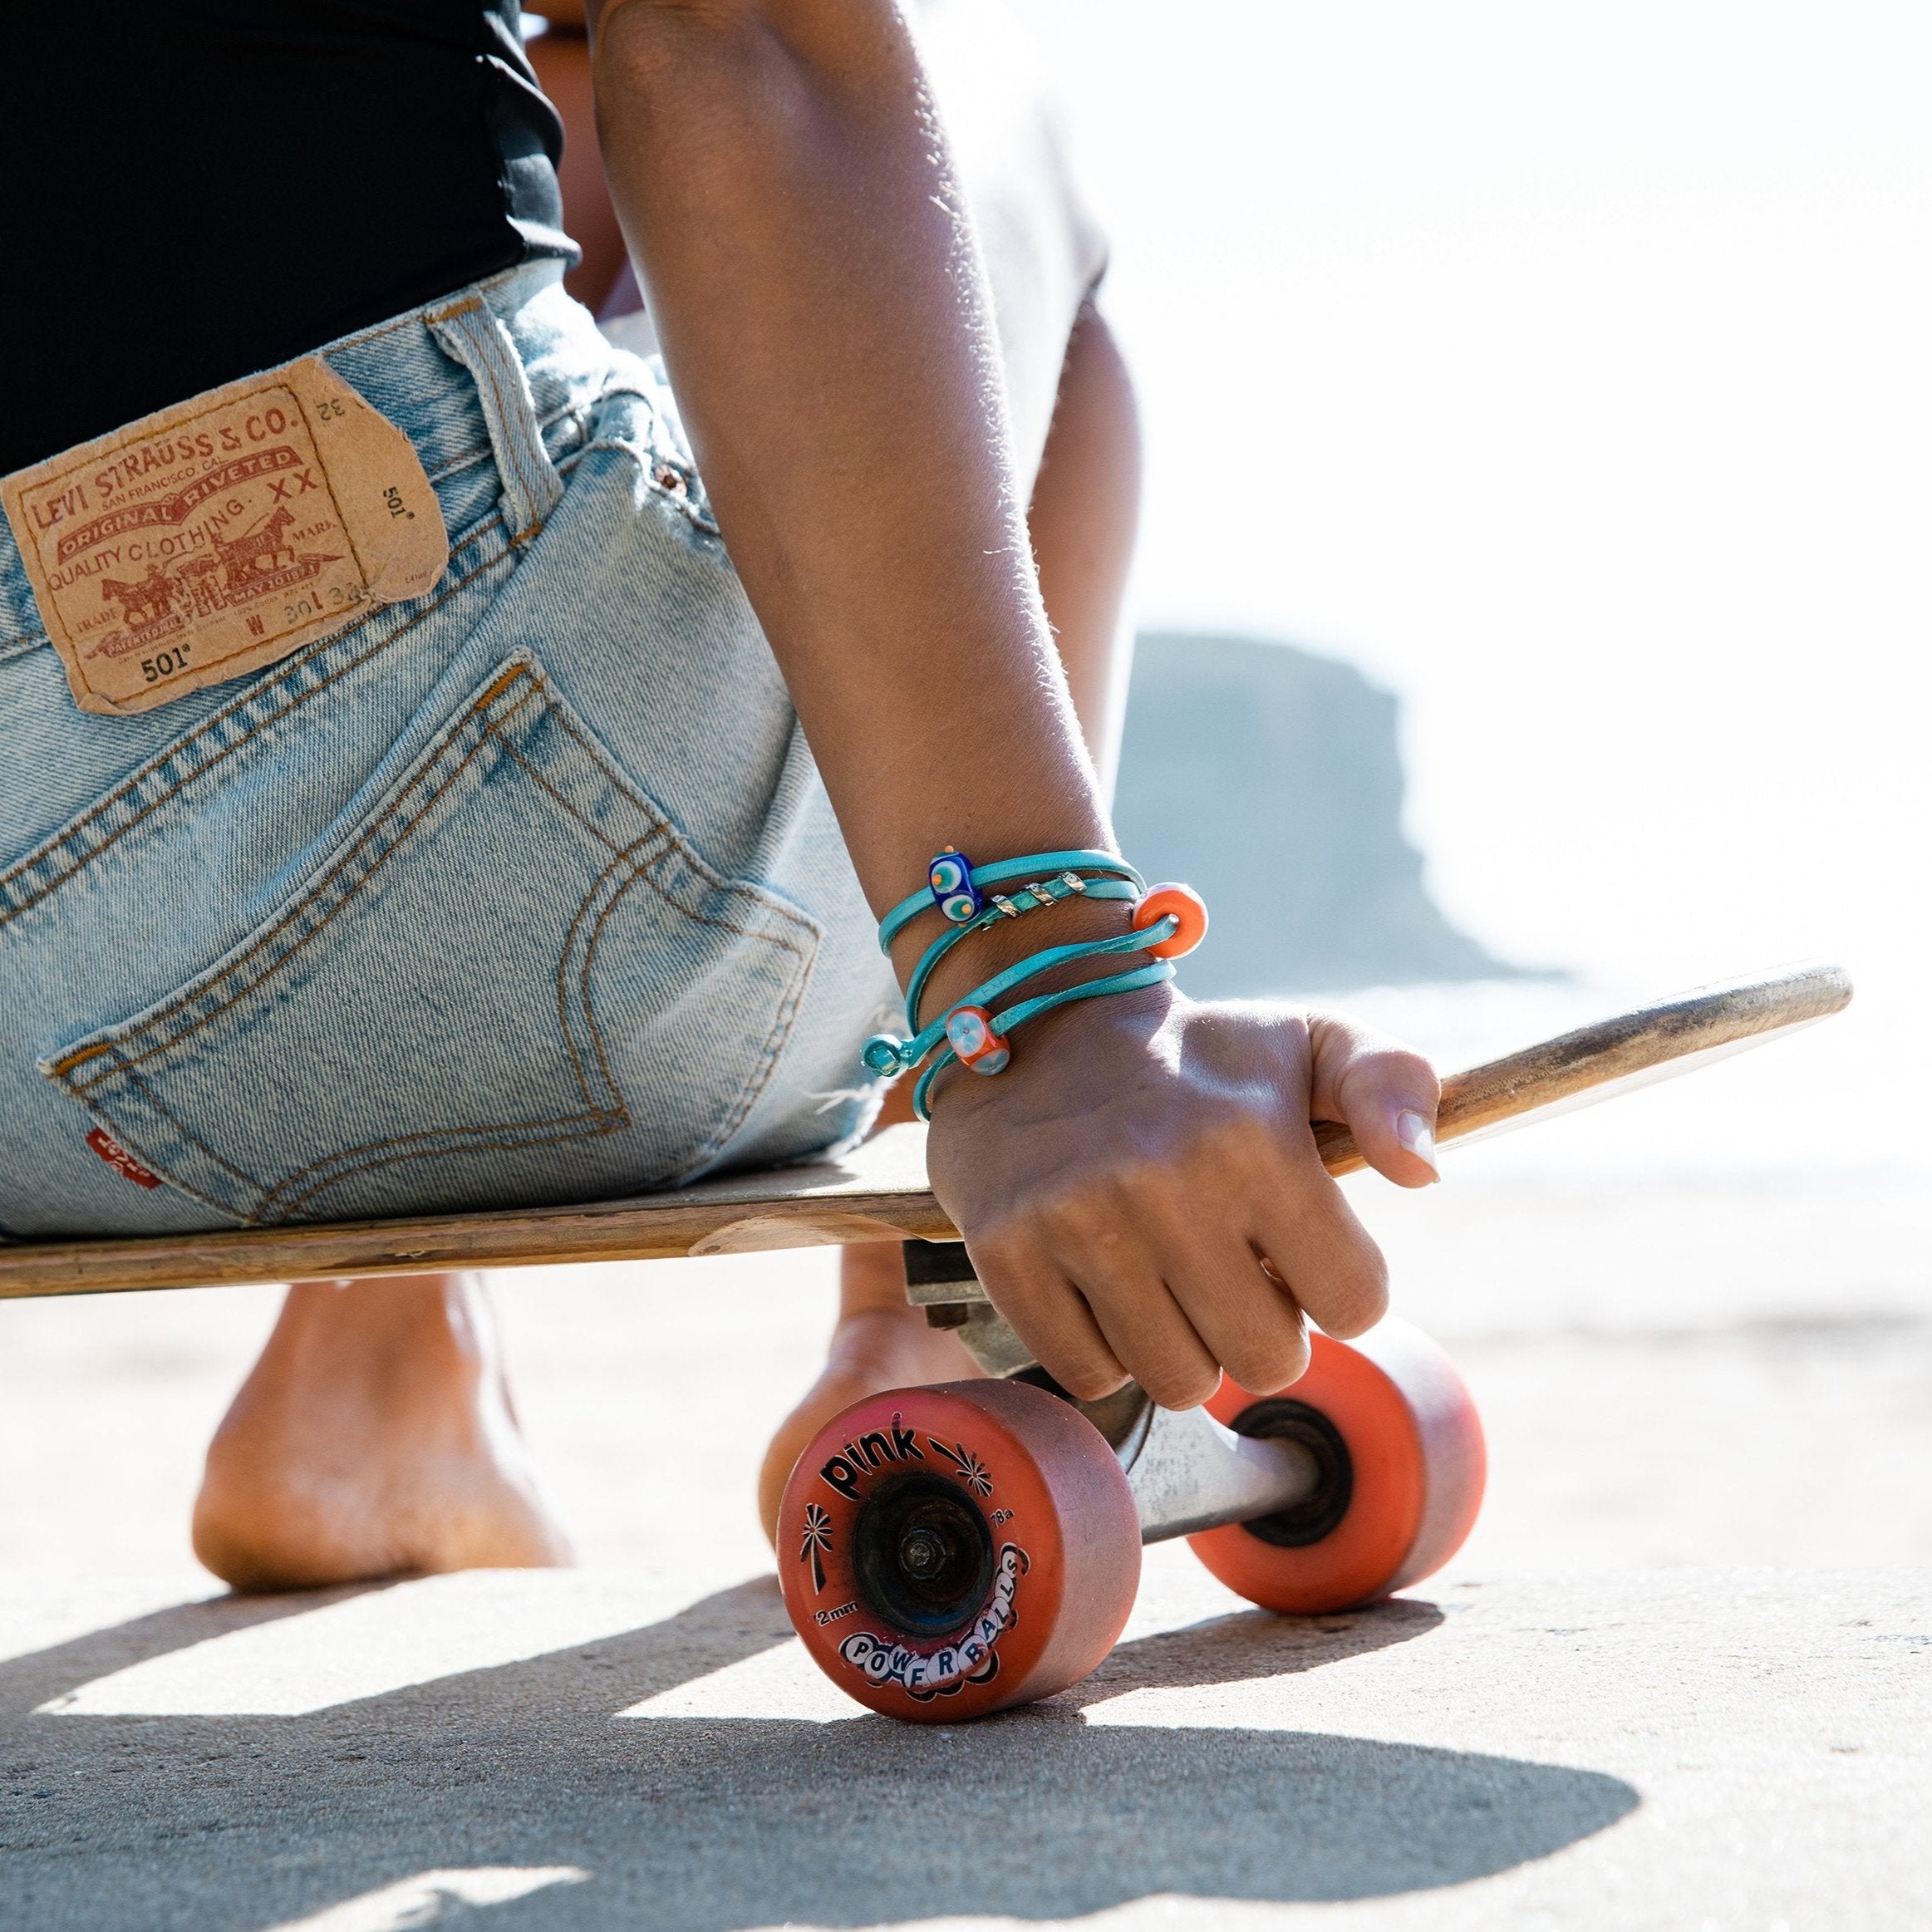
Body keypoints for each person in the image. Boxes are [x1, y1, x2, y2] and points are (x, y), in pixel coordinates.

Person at [0, 0, 1440, 1590]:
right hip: (455, 843)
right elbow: (745, 34)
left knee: (549, 100)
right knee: (937, 96)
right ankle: (921, 1323)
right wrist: (1059, 1008)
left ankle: (388, 1369)